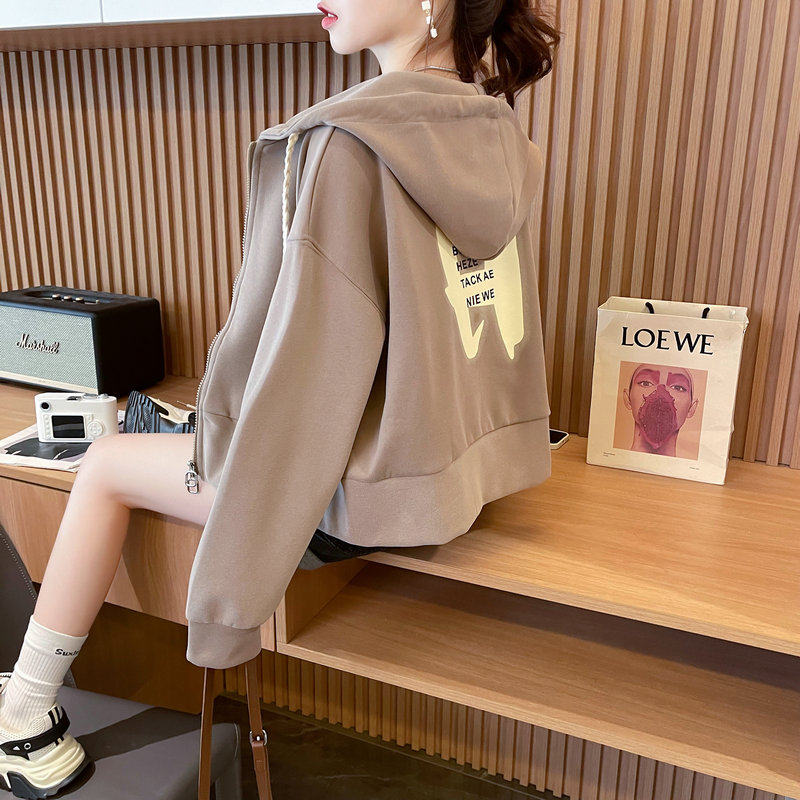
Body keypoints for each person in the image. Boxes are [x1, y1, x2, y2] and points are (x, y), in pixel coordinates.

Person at [0, 0, 560, 795]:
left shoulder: (343, 146)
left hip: (348, 497)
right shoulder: (501, 140)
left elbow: (307, 378)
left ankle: (24, 720)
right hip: (460, 481)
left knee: (104, 462)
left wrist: (227, 609)